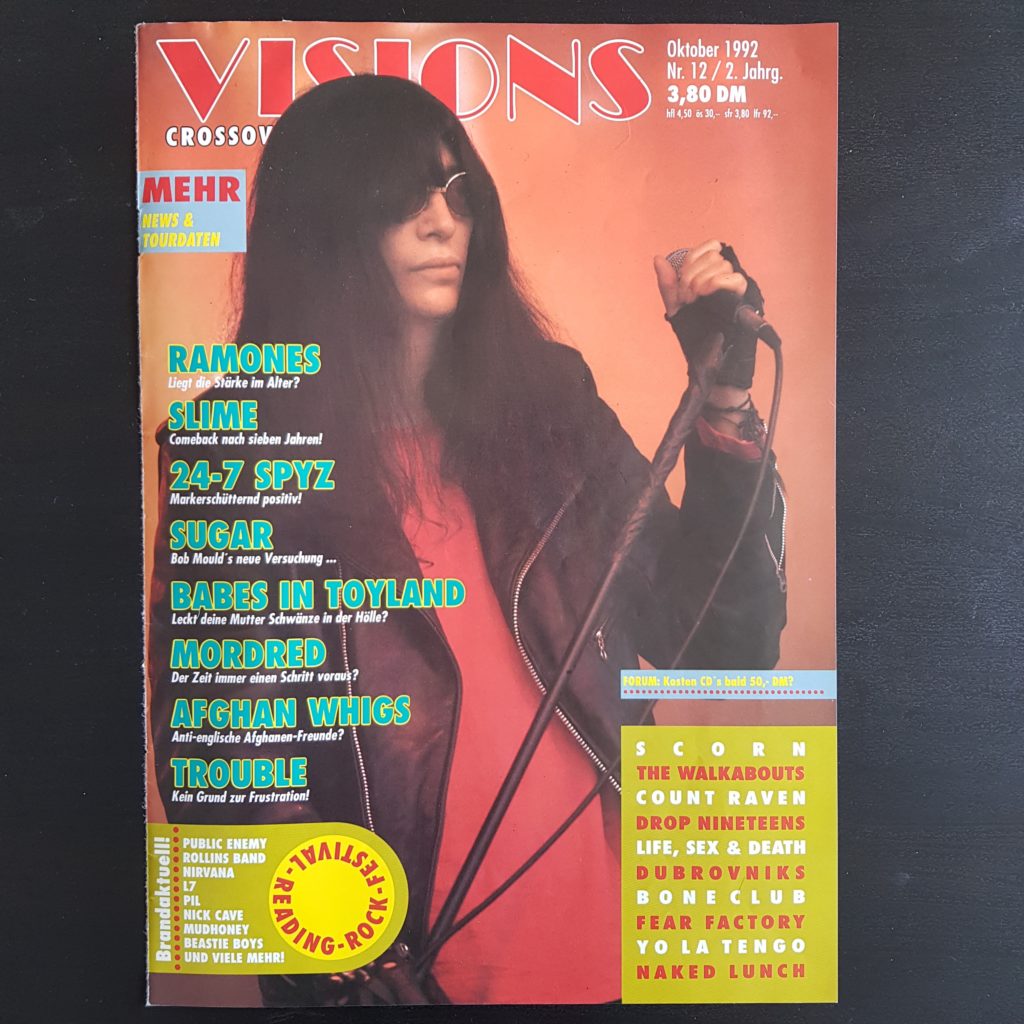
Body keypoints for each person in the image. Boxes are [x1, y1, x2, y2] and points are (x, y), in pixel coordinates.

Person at [149, 74, 786, 1006]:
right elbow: (222, 764)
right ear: (321, 223)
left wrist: (722, 398)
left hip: (618, 960)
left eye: (456, 191)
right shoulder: (237, 456)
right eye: (401, 195)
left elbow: (725, 642)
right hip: (413, 978)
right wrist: (338, 963)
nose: (443, 223)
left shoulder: (552, 410)